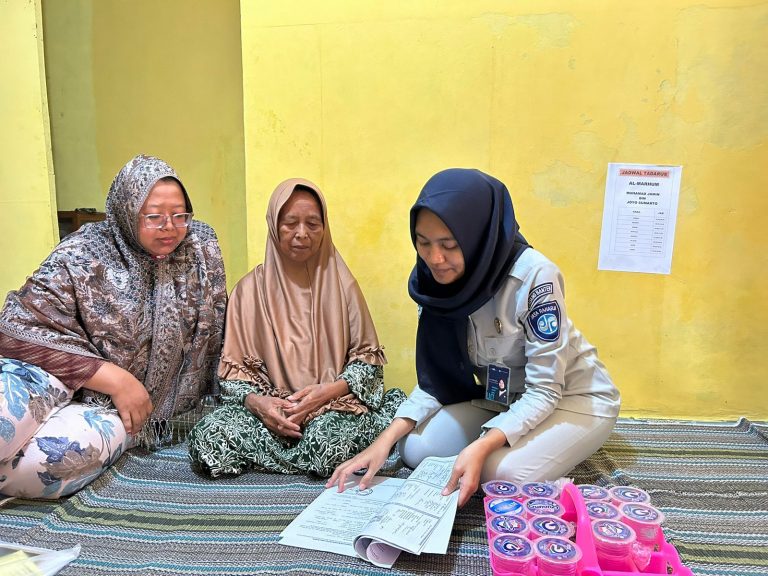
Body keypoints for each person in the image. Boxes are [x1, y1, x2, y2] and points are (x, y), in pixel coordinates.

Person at [328, 168, 620, 506]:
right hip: (505, 397)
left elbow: (544, 391)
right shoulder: (433, 283)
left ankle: (556, 443)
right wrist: (383, 441)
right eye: (423, 243)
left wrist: (482, 446)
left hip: (575, 399)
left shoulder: (534, 276)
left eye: (449, 245)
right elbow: (437, 375)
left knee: (499, 474)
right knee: (414, 448)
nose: (435, 259)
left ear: (477, 236)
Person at [0, 154, 227, 499]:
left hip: (105, 410)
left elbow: (219, 328)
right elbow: (14, 329)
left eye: (180, 215)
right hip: (46, 372)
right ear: (126, 211)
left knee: (50, 465)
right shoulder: (84, 252)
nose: (169, 226)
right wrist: (114, 378)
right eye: (153, 216)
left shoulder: (199, 248)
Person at [188, 178, 405, 478]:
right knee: (208, 437)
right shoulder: (249, 291)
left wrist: (326, 393)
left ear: (324, 227)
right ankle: (303, 458)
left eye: (313, 224)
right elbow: (234, 374)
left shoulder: (343, 286)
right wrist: (261, 405)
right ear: (274, 225)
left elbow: (368, 364)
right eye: (290, 223)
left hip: (333, 409)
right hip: (270, 415)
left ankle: (286, 457)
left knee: (328, 441)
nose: (302, 234)